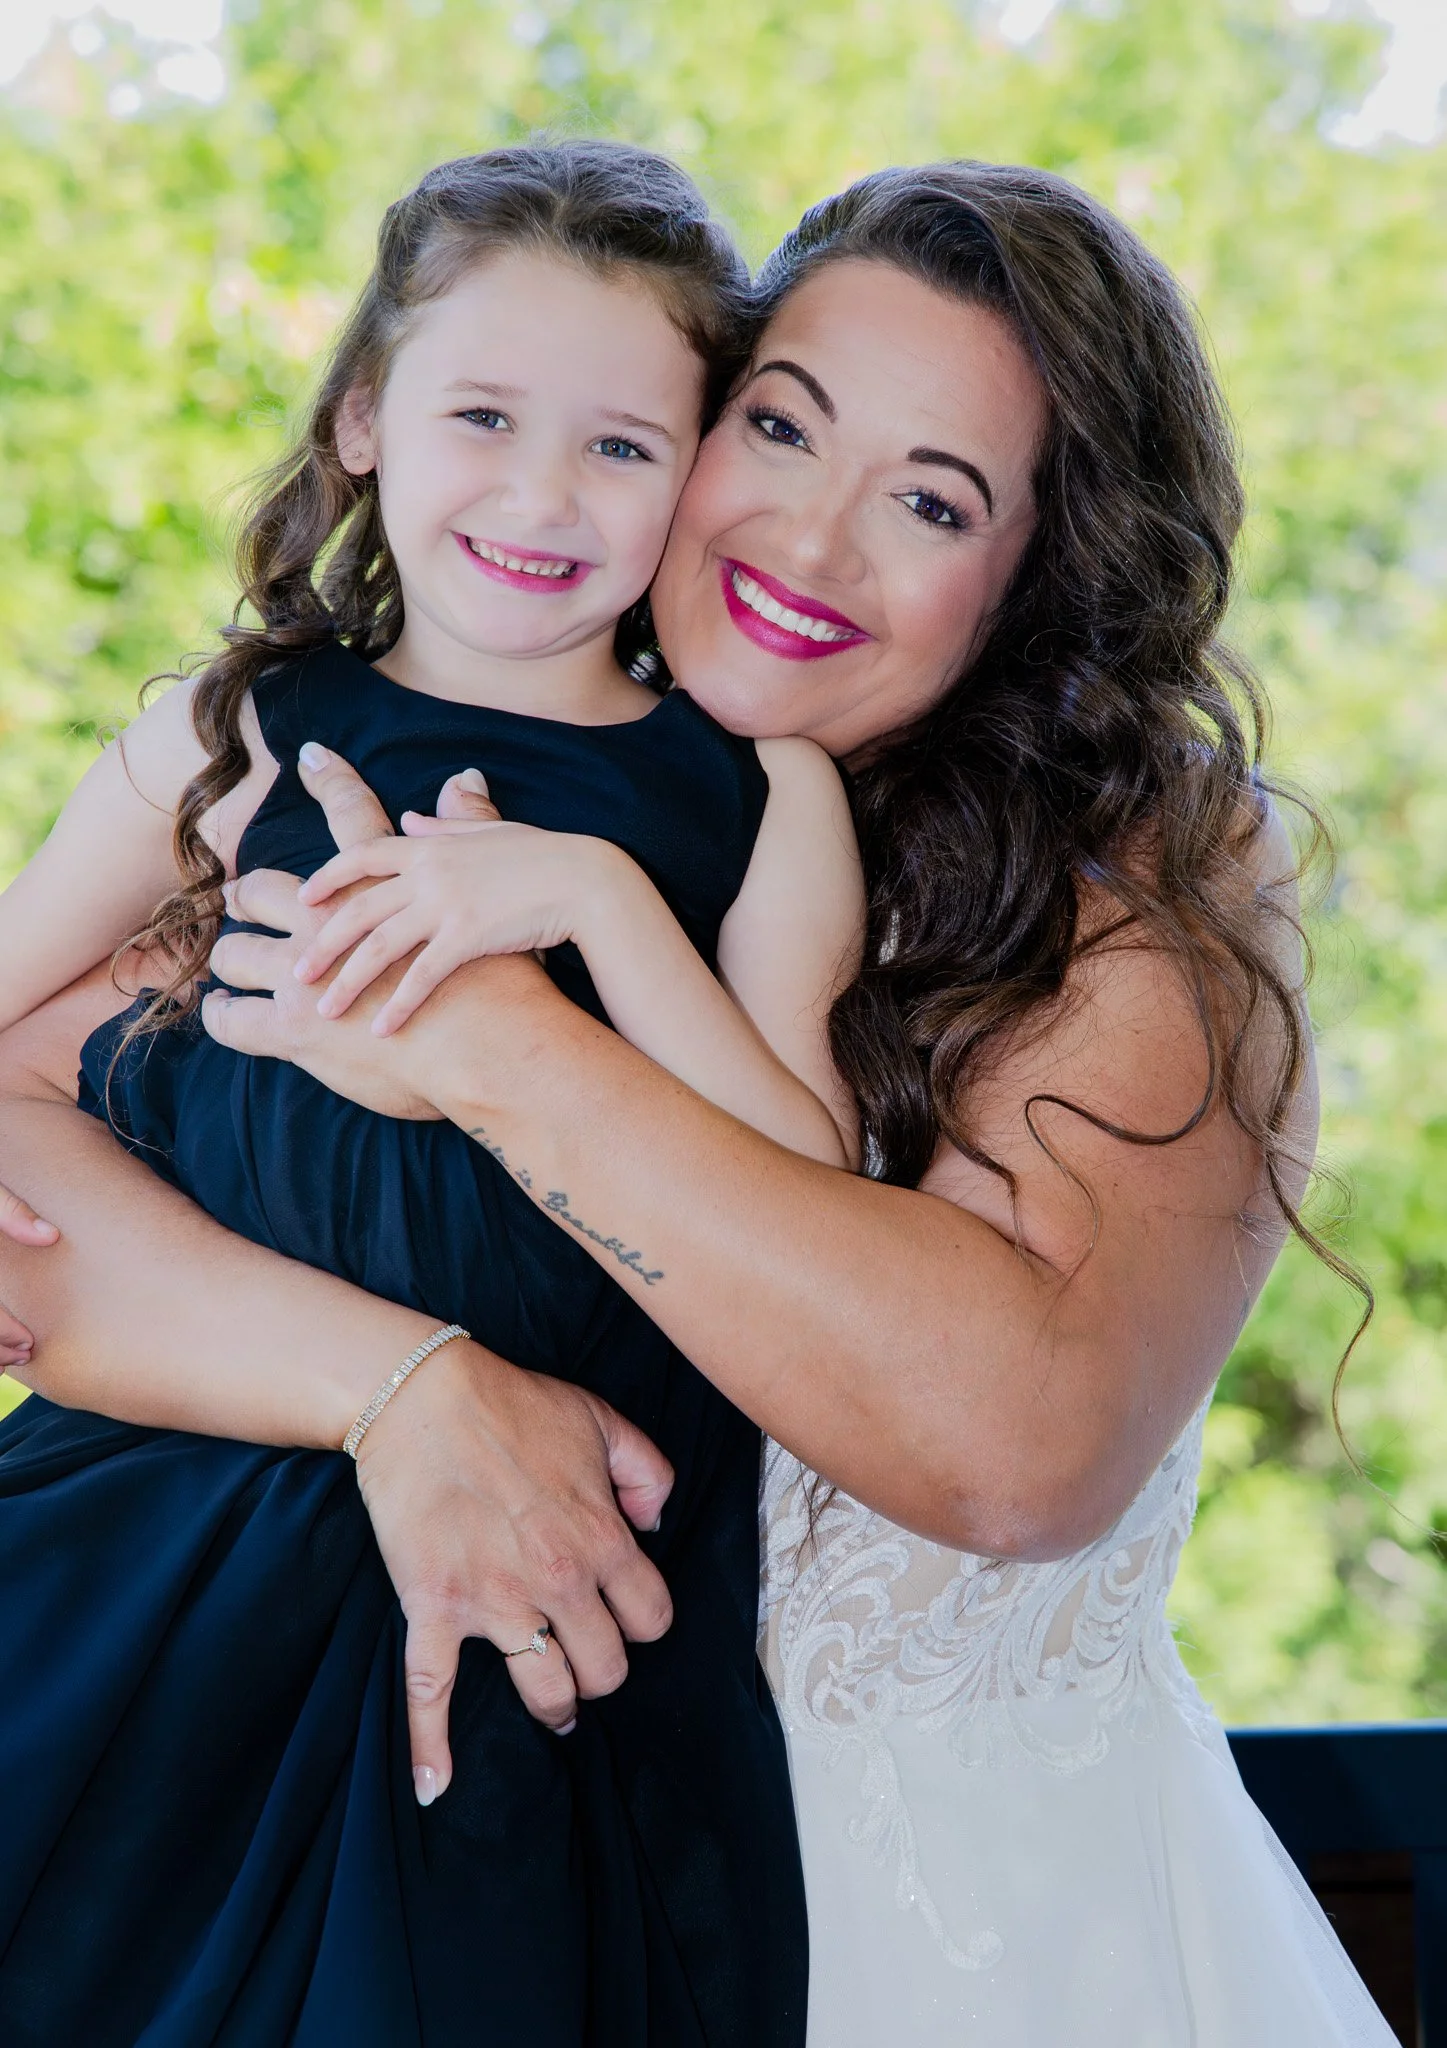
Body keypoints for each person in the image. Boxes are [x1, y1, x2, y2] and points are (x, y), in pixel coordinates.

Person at [0, 160, 1395, 2044]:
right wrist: (405, 1396)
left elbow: (1016, 1447)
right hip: (465, 1818)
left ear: (1042, 569)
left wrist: (499, 1042)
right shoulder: (390, 772)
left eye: (927, 497)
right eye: (778, 427)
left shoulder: (1140, 888)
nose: (808, 545)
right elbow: (50, 1174)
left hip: (958, 1937)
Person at [0, 137, 855, 2046]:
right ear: (369, 418)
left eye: (623, 447)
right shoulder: (220, 736)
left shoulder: (746, 798)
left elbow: (807, 1193)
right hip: (169, 1546)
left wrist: (599, 908)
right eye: (484, 415)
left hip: (561, 1616)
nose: (544, 495)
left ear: (695, 476)